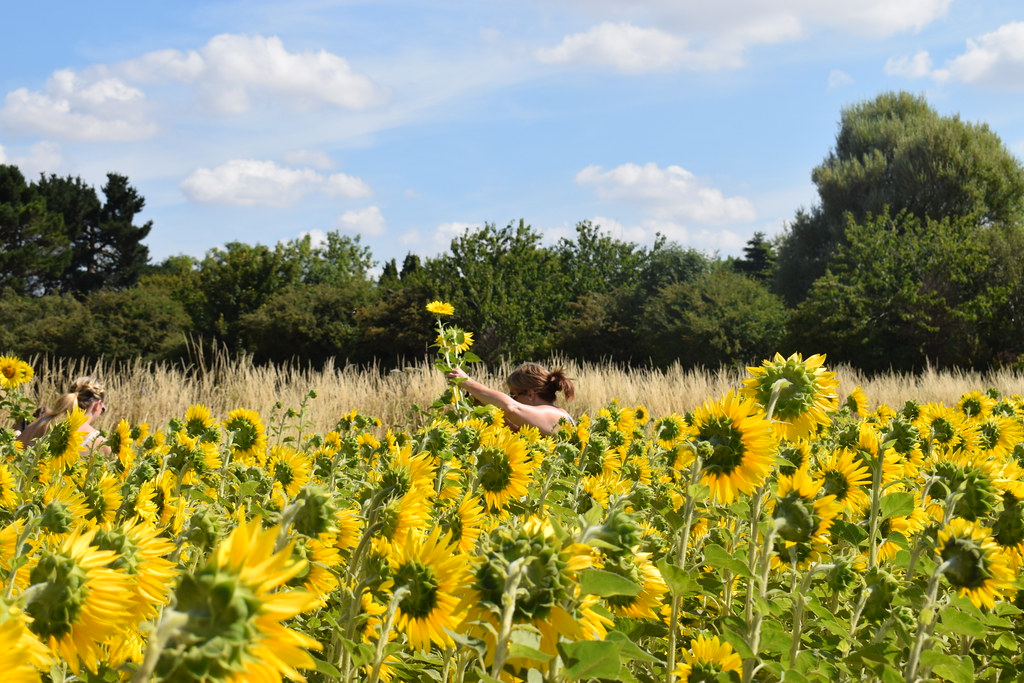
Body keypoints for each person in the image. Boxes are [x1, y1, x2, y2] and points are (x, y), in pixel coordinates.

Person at [445, 362, 575, 435]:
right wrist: (484, 406)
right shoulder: (552, 415)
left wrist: (468, 382)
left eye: (513, 395)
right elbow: (517, 431)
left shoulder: (555, 416)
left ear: (530, 394)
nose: (512, 399)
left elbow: (511, 408)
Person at [17, 376, 109, 452]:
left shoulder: (42, 421)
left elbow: (15, 451)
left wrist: (17, 430)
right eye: (103, 409)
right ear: (97, 405)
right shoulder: (100, 444)